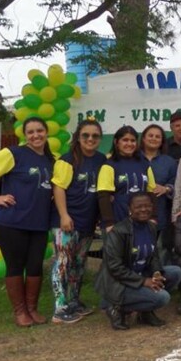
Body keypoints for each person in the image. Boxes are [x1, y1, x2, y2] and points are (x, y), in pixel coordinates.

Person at [0, 117, 55, 327]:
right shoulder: (13, 153)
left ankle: (32, 309)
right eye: (30, 132)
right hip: (11, 222)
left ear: (46, 132)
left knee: (35, 265)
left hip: (38, 224)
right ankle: (20, 312)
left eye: (39, 131)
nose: (36, 135)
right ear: (24, 136)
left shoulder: (49, 160)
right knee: (15, 266)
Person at [94, 192, 181, 330]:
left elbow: (153, 256)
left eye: (147, 206)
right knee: (162, 298)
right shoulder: (119, 232)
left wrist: (156, 273)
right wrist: (144, 281)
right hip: (118, 283)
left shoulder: (151, 227)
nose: (144, 209)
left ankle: (145, 312)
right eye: (139, 206)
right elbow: (115, 267)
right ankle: (113, 306)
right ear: (130, 209)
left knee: (176, 272)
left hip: (140, 275)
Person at [50, 119, 106, 324]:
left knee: (79, 263)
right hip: (67, 221)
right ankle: (60, 307)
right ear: (78, 137)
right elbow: (58, 188)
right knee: (63, 262)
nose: (90, 139)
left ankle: (73, 301)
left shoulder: (101, 160)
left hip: (88, 222)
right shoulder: (68, 160)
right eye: (86, 135)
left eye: (95, 136)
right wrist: (64, 215)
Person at [98, 126, 156, 229]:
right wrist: (109, 223)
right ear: (116, 142)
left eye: (133, 140)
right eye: (125, 140)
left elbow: (151, 193)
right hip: (117, 222)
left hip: (142, 221)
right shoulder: (109, 165)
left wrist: (153, 217)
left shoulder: (144, 164)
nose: (129, 144)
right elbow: (104, 196)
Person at [140, 124, 177, 263]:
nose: (154, 139)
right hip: (134, 214)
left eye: (158, 136)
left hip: (160, 213)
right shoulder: (133, 158)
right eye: (150, 135)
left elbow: (176, 184)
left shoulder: (169, 162)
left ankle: (159, 281)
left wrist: (166, 188)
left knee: (160, 250)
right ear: (143, 138)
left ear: (162, 141)